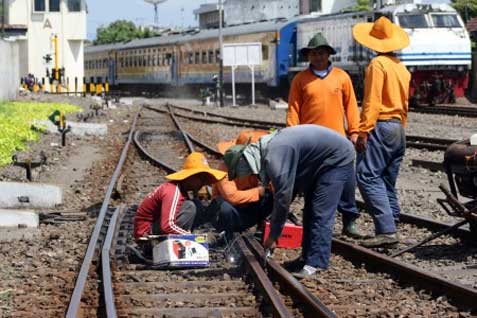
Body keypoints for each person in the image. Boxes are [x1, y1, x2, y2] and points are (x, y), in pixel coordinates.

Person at [224, 125, 355, 278]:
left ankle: (316, 264)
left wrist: (273, 236)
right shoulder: (266, 149)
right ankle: (307, 258)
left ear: (243, 162)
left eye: (239, 172)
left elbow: (284, 199)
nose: (243, 176)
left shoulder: (275, 158)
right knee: (309, 211)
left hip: (337, 158)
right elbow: (286, 194)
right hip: (320, 159)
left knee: (320, 211)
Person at [287, 32, 363, 238]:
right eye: (313, 53)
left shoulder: (342, 77)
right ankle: (312, 221)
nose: (318, 57)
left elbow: (352, 107)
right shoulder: (300, 80)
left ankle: (349, 221)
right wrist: (292, 136)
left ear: (328, 54)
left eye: (321, 53)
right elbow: (293, 109)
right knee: (312, 182)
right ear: (308, 56)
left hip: (338, 139)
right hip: (310, 142)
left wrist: (354, 131)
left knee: (347, 182)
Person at [352, 16, 411, 247]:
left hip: (382, 124)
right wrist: (400, 127)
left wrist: (364, 130)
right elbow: (405, 103)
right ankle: (392, 224)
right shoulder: (401, 67)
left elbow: (372, 101)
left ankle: (386, 230)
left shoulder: (377, 65)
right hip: (398, 126)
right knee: (386, 178)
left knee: (367, 175)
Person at [134, 152, 226, 241]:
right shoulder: (173, 191)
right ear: (191, 177)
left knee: (195, 204)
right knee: (190, 207)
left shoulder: (181, 190)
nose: (202, 183)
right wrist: (191, 237)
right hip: (147, 233)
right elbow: (167, 226)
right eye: (201, 179)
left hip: (154, 226)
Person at [212, 129, 273, 239]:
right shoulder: (225, 167)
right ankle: (226, 234)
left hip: (245, 209)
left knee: (270, 196)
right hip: (230, 212)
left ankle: (259, 228)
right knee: (225, 207)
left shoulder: (255, 165)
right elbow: (232, 196)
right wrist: (258, 191)